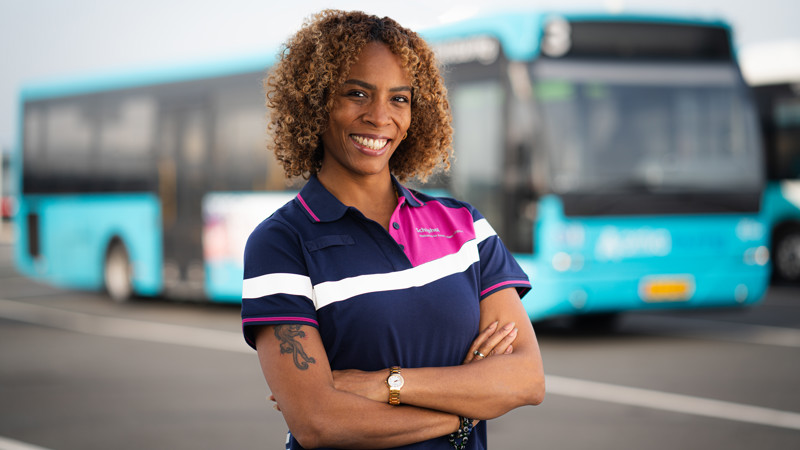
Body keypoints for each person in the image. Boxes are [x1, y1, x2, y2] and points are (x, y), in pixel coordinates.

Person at [241, 9, 545, 450]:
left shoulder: (465, 226)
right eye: (357, 94)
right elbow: (318, 422)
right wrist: (463, 412)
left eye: (399, 98)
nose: (380, 116)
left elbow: (526, 379)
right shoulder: (282, 242)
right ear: (315, 101)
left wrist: (388, 384)